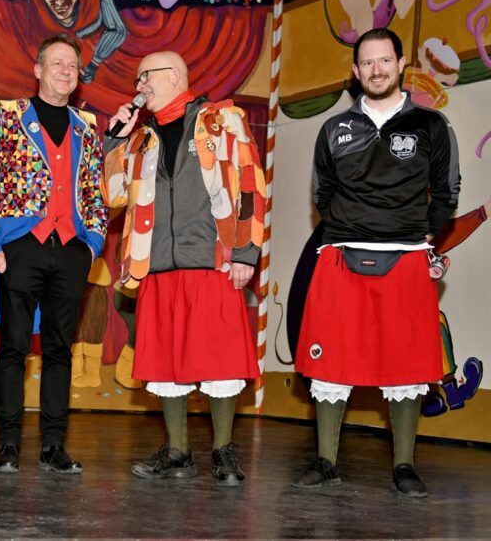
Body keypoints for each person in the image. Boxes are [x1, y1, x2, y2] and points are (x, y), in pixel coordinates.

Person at [293, 28, 460, 498]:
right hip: (341, 255)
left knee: (408, 366)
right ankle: (326, 462)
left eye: (384, 60)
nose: (376, 70)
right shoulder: (334, 129)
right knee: (330, 364)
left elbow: (447, 190)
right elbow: (322, 192)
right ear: (355, 71)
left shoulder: (432, 125)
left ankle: (404, 466)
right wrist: (349, 226)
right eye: (367, 63)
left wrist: (422, 233)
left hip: (406, 258)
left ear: (401, 64)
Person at [102, 51, 266, 487]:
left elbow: (250, 184)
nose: (140, 86)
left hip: (213, 261)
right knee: (164, 364)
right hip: (156, 264)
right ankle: (177, 451)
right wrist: (115, 140)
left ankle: (223, 450)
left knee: (220, 362)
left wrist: (246, 253)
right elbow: (114, 195)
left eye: (145, 77)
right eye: (138, 79)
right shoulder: (140, 139)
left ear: (174, 75)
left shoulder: (222, 121)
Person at [0, 33, 107, 474]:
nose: (65, 71)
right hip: (21, 246)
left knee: (59, 350)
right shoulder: (7, 115)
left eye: (72, 65)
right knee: (13, 347)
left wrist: (91, 245)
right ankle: (8, 443)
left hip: (71, 250)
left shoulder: (86, 126)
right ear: (37, 70)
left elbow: (95, 189)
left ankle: (54, 445)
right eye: (56, 63)